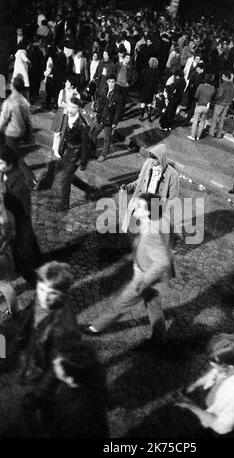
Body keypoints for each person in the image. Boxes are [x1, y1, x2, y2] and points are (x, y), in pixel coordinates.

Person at [80, 192, 175, 347]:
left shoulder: (152, 231)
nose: (134, 206)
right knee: (153, 306)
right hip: (156, 278)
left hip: (146, 278)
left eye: (139, 206)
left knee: (121, 303)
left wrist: (143, 280)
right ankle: (159, 340)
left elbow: (162, 261)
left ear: (149, 211)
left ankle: (96, 327)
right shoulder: (159, 221)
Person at [22, 341, 108, 438]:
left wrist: (30, 421)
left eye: (58, 364)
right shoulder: (91, 370)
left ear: (69, 376)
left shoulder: (77, 413)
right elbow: (53, 374)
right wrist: (37, 394)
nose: (54, 362)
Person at [176, 334, 234, 437]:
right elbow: (213, 373)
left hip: (217, 432)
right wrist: (195, 385)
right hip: (211, 413)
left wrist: (191, 406)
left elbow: (220, 426)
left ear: (229, 365)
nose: (210, 364)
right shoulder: (233, 365)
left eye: (214, 363)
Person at [18, 261, 80, 384]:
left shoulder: (66, 327)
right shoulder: (41, 299)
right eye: (41, 289)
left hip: (40, 365)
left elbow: (59, 368)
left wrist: (39, 393)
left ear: (64, 293)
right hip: (33, 347)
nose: (44, 298)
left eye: (53, 293)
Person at [0, 146, 41, 287]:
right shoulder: (7, 172)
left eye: (0, 163)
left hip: (18, 220)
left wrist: (15, 229)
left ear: (9, 164)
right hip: (14, 216)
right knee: (29, 240)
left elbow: (24, 210)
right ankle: (37, 258)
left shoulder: (19, 185)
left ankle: (33, 280)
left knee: (19, 252)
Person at [56, 97, 92, 211]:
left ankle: (64, 204)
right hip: (68, 151)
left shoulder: (82, 125)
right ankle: (88, 189)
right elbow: (65, 135)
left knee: (65, 179)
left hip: (77, 155)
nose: (70, 109)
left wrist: (83, 162)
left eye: (74, 107)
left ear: (79, 109)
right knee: (69, 176)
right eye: (69, 106)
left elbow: (86, 144)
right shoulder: (68, 117)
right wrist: (61, 148)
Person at [92, 74, 123, 162]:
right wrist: (96, 113)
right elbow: (99, 102)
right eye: (109, 81)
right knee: (94, 134)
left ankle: (103, 155)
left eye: (113, 82)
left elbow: (118, 111)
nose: (111, 84)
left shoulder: (118, 95)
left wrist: (115, 122)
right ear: (107, 82)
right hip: (100, 117)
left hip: (109, 120)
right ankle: (93, 151)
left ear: (115, 82)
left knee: (107, 138)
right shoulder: (104, 90)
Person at [51, 77, 80, 158]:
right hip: (61, 114)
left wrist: (66, 103)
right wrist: (68, 105)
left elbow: (75, 106)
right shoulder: (62, 91)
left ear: (72, 85)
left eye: (67, 83)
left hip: (70, 116)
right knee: (57, 132)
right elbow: (59, 103)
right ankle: (55, 149)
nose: (65, 84)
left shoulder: (77, 95)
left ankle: (61, 149)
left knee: (65, 134)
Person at [0, 189, 18, 317]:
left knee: (4, 285)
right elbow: (12, 235)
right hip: (5, 254)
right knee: (5, 283)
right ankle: (14, 310)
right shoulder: (9, 216)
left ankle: (14, 311)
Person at [188, 73, 215, 141]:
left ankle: (193, 135)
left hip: (199, 104)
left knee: (195, 121)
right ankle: (198, 136)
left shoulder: (201, 86)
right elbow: (212, 97)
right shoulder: (212, 88)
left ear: (205, 79)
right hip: (206, 106)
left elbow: (196, 96)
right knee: (202, 121)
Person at [209, 71, 234, 138]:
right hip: (227, 104)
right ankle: (219, 134)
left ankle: (211, 133)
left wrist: (215, 99)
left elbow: (219, 95)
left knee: (215, 118)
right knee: (222, 119)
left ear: (226, 77)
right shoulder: (233, 85)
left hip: (220, 103)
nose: (222, 78)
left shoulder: (222, 85)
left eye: (223, 76)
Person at [139, 57, 160, 122]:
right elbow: (156, 83)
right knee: (149, 104)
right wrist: (155, 92)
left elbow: (141, 81)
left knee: (142, 103)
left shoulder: (145, 70)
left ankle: (142, 117)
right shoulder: (157, 72)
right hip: (151, 91)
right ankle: (149, 118)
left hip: (144, 89)